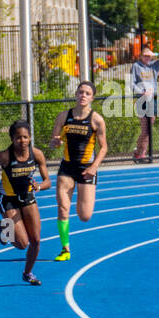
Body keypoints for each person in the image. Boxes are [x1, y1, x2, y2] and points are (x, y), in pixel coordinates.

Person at [0, 121, 51, 286]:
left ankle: (27, 273)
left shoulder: (37, 154)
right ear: (12, 139)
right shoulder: (5, 156)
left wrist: (39, 186)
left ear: (30, 137)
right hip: (8, 200)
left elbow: (48, 181)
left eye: (25, 137)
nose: (22, 141)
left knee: (35, 240)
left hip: (28, 197)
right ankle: (4, 229)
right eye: (18, 138)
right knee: (22, 244)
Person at [49, 79, 107, 262]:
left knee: (84, 216)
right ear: (76, 94)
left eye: (87, 93)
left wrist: (94, 167)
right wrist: (55, 142)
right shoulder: (63, 116)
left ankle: (82, 199)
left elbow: (104, 147)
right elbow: (53, 140)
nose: (83, 95)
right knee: (62, 208)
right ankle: (65, 249)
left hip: (86, 169)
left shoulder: (96, 119)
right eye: (81, 92)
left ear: (92, 98)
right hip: (67, 167)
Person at [130, 46, 159, 161]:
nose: (147, 58)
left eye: (149, 56)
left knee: (149, 129)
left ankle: (139, 152)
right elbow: (132, 84)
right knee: (145, 129)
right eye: (145, 56)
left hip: (152, 99)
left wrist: (155, 53)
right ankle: (140, 153)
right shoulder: (136, 66)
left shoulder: (154, 66)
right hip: (142, 100)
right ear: (140, 56)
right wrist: (142, 92)